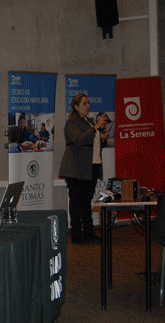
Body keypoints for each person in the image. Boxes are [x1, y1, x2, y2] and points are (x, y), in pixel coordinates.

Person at [59, 94, 107, 244]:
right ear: (76, 106)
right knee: (76, 201)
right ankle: (76, 234)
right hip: (76, 168)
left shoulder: (89, 121)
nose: (88, 106)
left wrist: (102, 139)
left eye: (88, 103)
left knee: (86, 201)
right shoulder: (72, 122)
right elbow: (78, 139)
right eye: (84, 103)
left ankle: (89, 232)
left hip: (91, 166)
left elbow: (91, 143)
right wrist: (96, 128)